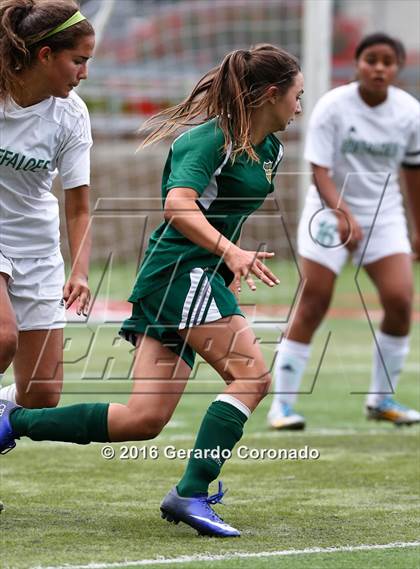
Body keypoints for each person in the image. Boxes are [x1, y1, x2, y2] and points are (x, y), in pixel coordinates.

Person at [0, 44, 304, 537]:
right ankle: (192, 492)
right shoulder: (208, 142)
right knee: (252, 377)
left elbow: (219, 209)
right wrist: (229, 252)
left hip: (192, 278)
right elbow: (177, 206)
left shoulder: (270, 148)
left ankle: (13, 422)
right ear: (271, 94)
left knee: (142, 419)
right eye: (297, 95)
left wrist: (227, 260)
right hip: (182, 274)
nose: (299, 106)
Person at [268, 33, 420, 431]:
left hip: (384, 217)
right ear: (357, 63)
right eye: (372, 59)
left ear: (398, 68)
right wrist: (342, 213)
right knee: (315, 300)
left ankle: (380, 399)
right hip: (327, 210)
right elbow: (318, 169)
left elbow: (413, 172)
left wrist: (417, 229)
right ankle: (281, 407)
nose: (379, 68)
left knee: (401, 300)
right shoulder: (333, 107)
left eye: (388, 61)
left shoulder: (409, 112)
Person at [0, 0, 94, 408]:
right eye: (78, 61)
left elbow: (78, 207)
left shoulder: (72, 116)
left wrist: (80, 271)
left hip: (38, 251)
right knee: (4, 337)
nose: (84, 73)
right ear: (44, 55)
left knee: (41, 395)